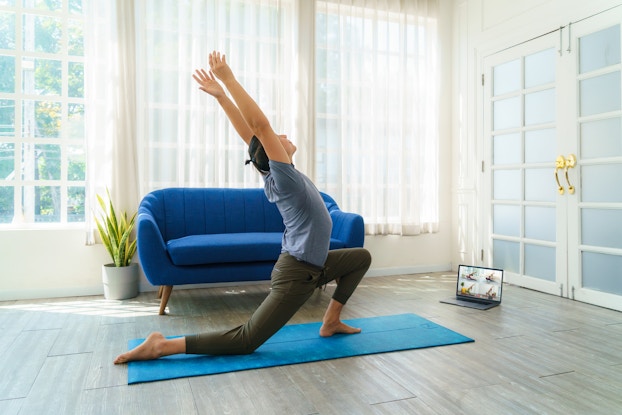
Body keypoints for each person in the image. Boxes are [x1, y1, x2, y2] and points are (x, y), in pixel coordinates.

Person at [114, 51, 371, 364]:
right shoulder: (285, 177)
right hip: (297, 274)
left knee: (359, 257)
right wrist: (228, 79)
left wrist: (222, 98)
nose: (284, 135)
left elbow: (252, 136)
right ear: (273, 152)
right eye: (278, 137)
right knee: (247, 339)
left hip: (313, 265)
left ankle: (330, 321)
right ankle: (162, 346)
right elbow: (259, 127)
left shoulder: (275, 172)